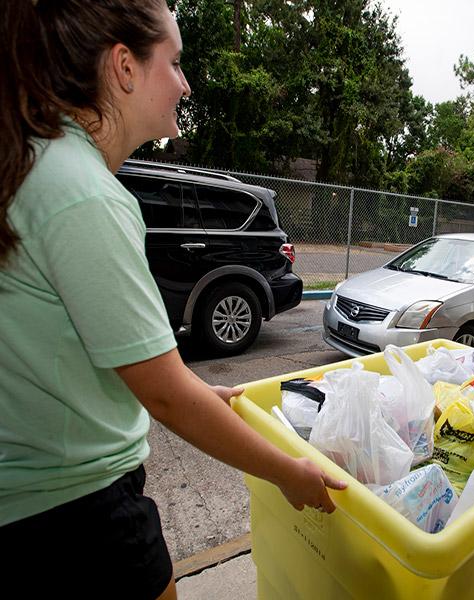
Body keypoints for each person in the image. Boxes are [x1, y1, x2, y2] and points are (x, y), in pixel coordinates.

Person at [0, 2, 345, 598]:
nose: (185, 83)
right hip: (79, 514)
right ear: (124, 68)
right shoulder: (85, 193)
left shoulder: (39, 163)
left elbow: (72, 350)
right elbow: (164, 393)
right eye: (176, 62)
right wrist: (290, 473)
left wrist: (188, 388)